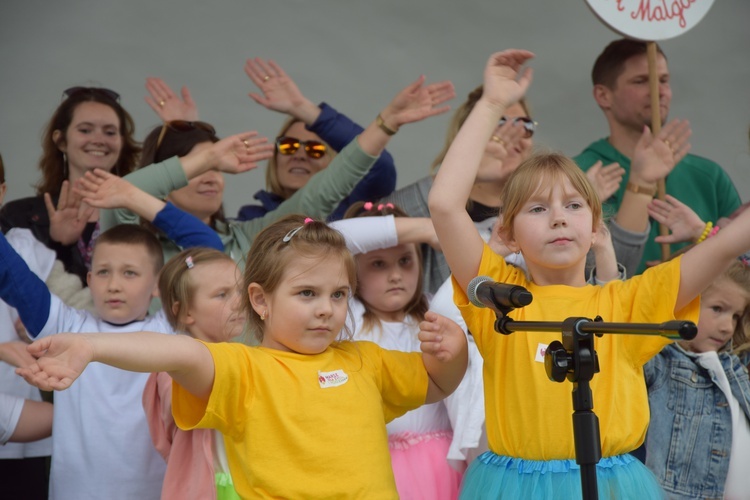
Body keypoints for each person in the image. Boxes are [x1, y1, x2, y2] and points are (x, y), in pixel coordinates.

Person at [425, 48, 750, 498]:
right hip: (513, 485)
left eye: (573, 206)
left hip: (613, 484)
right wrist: (491, 104)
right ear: (508, 232)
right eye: (538, 209)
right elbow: (444, 204)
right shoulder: (497, 296)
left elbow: (732, 242)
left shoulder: (627, 302)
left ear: (596, 226)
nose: (558, 218)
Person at [17, 215, 468, 498]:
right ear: (261, 299)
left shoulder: (366, 361)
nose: (326, 308)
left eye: (338, 294)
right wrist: (92, 347)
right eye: (307, 293)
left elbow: (437, 384)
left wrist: (454, 353)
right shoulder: (244, 369)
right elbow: (178, 352)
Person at [0, 185, 224, 500]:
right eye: (103, 272)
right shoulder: (66, 326)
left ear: (159, 284)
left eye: (130, 273)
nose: (114, 285)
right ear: (89, 280)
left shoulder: (173, 330)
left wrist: (134, 198)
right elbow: (11, 274)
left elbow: (210, 251)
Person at [102, 75, 455, 269]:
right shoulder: (137, 243)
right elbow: (121, 193)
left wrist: (387, 122)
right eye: (197, 170)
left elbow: (324, 191)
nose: (210, 176)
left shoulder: (249, 236)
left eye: (217, 169)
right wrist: (207, 155)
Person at [574, 38, 741, 273]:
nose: (659, 91)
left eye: (664, 80)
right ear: (603, 95)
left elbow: (744, 270)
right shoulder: (577, 174)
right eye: (641, 81)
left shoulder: (709, 177)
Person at [344, 201, 463, 498]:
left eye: (405, 261)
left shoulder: (435, 309)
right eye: (378, 264)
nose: (395, 275)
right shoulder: (347, 317)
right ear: (351, 269)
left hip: (443, 465)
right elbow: (331, 237)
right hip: (378, 464)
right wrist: (423, 228)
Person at [0, 87, 141, 285]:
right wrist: (59, 246)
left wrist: (183, 125)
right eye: (85, 130)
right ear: (60, 140)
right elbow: (12, 289)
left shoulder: (142, 213)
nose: (99, 140)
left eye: (110, 132)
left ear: (122, 143)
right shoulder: (18, 216)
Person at [236, 58, 398, 221]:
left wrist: (303, 109)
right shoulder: (250, 220)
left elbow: (378, 164)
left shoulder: (355, 207)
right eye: (288, 146)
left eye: (315, 149)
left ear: (335, 163)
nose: (298, 155)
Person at [142, 247, 244, 500]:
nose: (240, 301)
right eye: (222, 295)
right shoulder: (174, 370)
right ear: (185, 312)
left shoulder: (242, 354)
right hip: (209, 487)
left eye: (241, 290)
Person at [644, 259, 750, 499]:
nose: (727, 327)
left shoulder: (733, 363)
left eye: (735, 316)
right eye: (717, 309)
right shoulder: (662, 362)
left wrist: (702, 233)